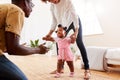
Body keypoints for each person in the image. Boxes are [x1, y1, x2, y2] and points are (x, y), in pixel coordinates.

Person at [41, 0, 91, 79]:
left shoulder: (67, 1)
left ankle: (87, 69)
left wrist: (76, 32)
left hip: (74, 22)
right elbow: (54, 20)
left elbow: (74, 16)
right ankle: (61, 68)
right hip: (64, 25)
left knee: (79, 43)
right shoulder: (52, 6)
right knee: (59, 43)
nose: (52, 2)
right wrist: (49, 34)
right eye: (49, 1)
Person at [0, 0, 49, 80]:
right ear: (25, 2)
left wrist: (16, 46)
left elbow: (9, 47)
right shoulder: (16, 10)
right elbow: (13, 49)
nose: (32, 8)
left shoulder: (5, 8)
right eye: (31, 4)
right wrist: (39, 50)